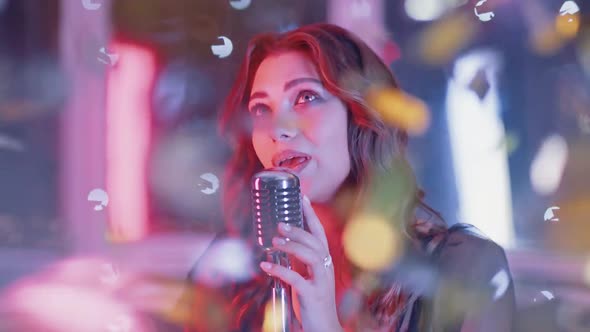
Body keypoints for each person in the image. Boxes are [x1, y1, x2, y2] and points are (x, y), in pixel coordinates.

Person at [181, 23, 515, 332]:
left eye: (305, 98)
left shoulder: (467, 269)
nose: (279, 130)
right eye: (261, 110)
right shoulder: (234, 280)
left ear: (360, 117)